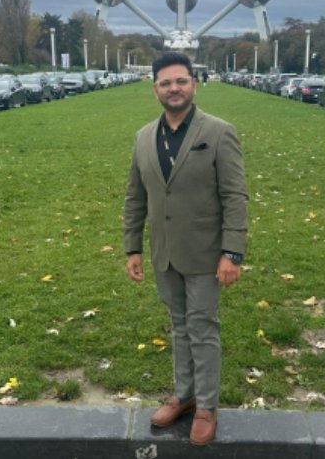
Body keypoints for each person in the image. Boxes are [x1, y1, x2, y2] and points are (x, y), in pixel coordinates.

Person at [123, 51, 248, 446]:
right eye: (165, 83)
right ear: (155, 89)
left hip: (206, 254)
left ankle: (207, 405)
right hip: (165, 253)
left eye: (180, 81)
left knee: (203, 327)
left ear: (194, 84)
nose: (173, 88)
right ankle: (185, 394)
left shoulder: (219, 132)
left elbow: (235, 196)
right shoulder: (143, 137)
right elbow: (135, 197)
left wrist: (232, 252)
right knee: (179, 325)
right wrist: (132, 248)